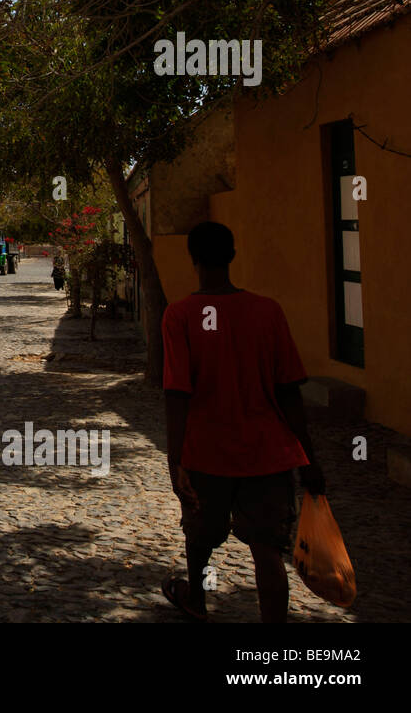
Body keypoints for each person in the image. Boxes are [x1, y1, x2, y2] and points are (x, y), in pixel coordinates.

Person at [160, 221, 324, 623]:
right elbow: (289, 390)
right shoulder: (267, 312)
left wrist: (176, 459)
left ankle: (197, 598)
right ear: (232, 256)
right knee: (268, 549)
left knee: (200, 535)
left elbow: (177, 395)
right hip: (267, 454)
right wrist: (309, 458)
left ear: (192, 259)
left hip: (206, 453)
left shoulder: (179, 316)